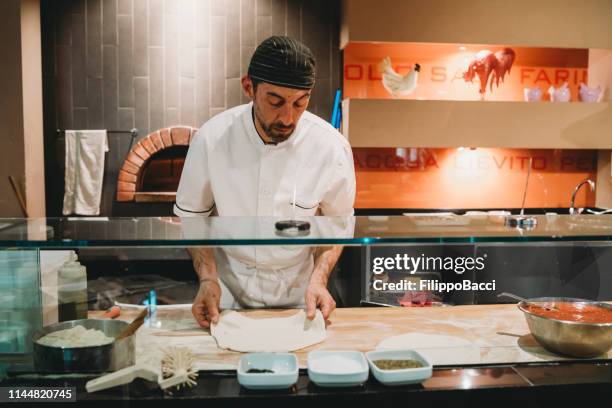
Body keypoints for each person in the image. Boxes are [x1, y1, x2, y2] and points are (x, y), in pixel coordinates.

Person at [174, 36, 355, 328]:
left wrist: (320, 280)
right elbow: (194, 217)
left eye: (300, 102)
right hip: (228, 295)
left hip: (301, 296)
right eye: (275, 101)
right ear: (249, 87)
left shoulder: (331, 147)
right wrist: (208, 279)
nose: (288, 117)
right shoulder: (212, 138)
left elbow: (338, 223)